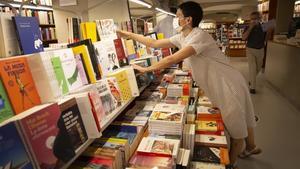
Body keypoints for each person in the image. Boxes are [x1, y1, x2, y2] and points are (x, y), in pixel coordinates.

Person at [117, 1, 262, 168]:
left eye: (178, 16)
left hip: (228, 84)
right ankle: (249, 148)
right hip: (218, 84)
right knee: (238, 118)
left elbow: (173, 58)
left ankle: (232, 163)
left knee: (235, 127)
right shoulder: (182, 37)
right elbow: (154, 43)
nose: (176, 20)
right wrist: (128, 34)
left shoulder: (199, 36)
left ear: (188, 20)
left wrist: (146, 69)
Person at [242, 12, 266, 94]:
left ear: (260, 18)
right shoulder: (247, 27)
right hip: (250, 49)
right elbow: (243, 38)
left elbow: (269, 35)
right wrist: (250, 28)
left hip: (260, 49)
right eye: (252, 19)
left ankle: (251, 79)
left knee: (258, 68)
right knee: (252, 67)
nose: (253, 20)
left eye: (256, 18)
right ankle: (252, 88)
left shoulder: (264, 26)